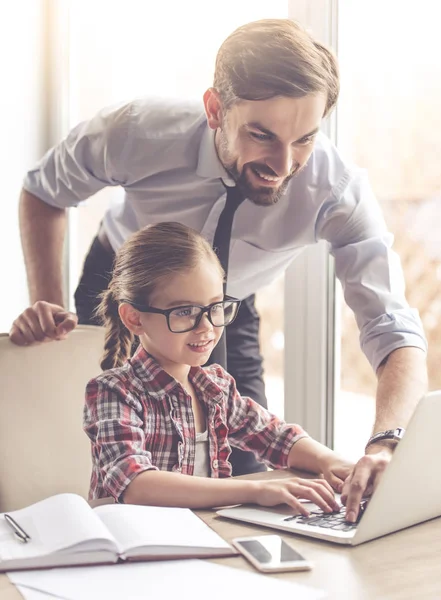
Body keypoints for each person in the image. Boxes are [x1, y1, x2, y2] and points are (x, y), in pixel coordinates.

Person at [10, 18, 427, 521]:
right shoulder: (137, 132)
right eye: (262, 135)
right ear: (215, 110)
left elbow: (391, 325)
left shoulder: (335, 191)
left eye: (304, 139)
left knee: (244, 472)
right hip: (125, 279)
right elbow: (43, 191)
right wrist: (51, 305)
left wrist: (384, 444)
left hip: (230, 303)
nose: (284, 163)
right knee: (86, 450)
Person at [83, 221, 352, 511]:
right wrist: (255, 490)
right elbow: (136, 485)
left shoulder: (215, 388)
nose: (207, 327)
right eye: (184, 312)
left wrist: (334, 463)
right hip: (133, 547)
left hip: (203, 540)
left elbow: (276, 438)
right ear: (135, 318)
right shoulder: (113, 392)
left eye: (215, 307)